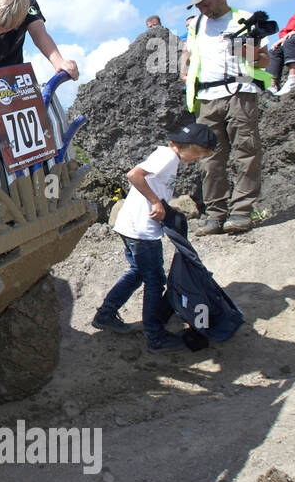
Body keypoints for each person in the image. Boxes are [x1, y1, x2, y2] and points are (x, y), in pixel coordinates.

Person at [92, 122, 217, 351]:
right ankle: (155, 336)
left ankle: (105, 314)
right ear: (187, 146)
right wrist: (156, 202)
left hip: (132, 226)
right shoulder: (168, 157)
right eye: (198, 153)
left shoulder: (169, 157)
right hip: (141, 230)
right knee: (155, 280)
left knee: (138, 272)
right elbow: (134, 175)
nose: (197, 159)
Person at [179, 0, 272, 236]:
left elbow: (263, 60)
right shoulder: (196, 24)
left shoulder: (244, 19)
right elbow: (188, 51)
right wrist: (184, 69)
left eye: (207, 4)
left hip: (240, 92)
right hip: (207, 97)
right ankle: (215, 215)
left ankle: (241, 212)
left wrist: (249, 51)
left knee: (246, 151)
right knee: (209, 159)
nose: (203, 10)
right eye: (199, 6)